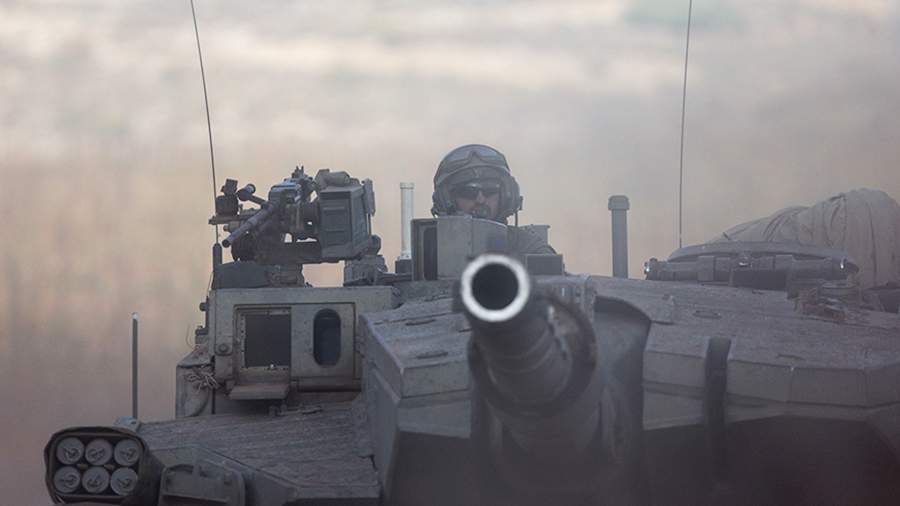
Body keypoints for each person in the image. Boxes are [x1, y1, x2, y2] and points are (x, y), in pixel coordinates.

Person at [431, 144, 555, 256]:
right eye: (468, 192)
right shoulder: (428, 250)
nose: (480, 199)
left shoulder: (528, 247)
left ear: (507, 196)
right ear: (446, 200)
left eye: (490, 190)